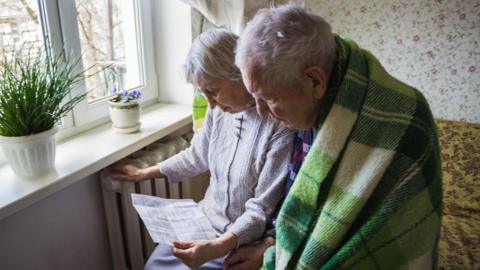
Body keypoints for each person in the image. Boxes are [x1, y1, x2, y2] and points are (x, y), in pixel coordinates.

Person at [228, 5, 442, 270]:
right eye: (255, 98)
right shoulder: (307, 105)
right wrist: (270, 249)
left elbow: (399, 236)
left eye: (268, 98)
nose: (261, 112)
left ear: (314, 81)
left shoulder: (406, 118)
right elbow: (299, 206)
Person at [111, 28, 294, 270]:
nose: (210, 103)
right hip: (203, 222)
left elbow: (261, 208)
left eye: (213, 91)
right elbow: (196, 156)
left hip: (241, 240)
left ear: (239, 74)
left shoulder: (279, 124)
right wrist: (143, 174)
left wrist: (218, 246)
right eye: (202, 92)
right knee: (154, 266)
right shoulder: (218, 112)